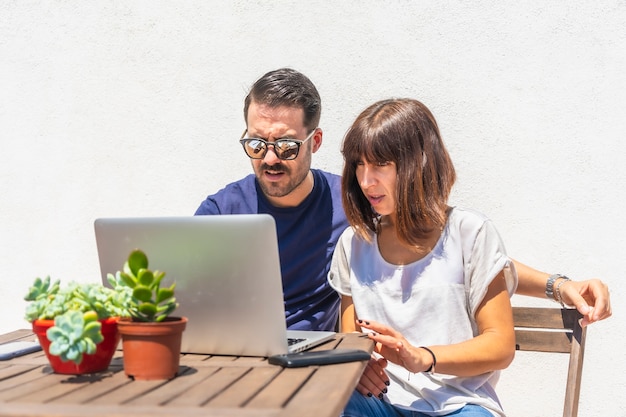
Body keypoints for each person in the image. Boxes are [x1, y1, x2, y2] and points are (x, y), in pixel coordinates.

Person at [194, 68, 611, 333]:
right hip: (236, 360)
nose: (269, 159)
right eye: (255, 144)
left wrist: (560, 285)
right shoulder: (221, 211)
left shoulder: (354, 203)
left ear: (314, 141)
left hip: (317, 365)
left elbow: (458, 249)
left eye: (285, 146)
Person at [329, 97, 516, 416]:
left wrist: (422, 357)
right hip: (381, 403)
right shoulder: (353, 244)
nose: (365, 180)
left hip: (459, 404)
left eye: (380, 165)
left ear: (419, 163)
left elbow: (500, 345)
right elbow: (351, 339)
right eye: (359, 164)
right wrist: (359, 362)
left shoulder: (471, 233)